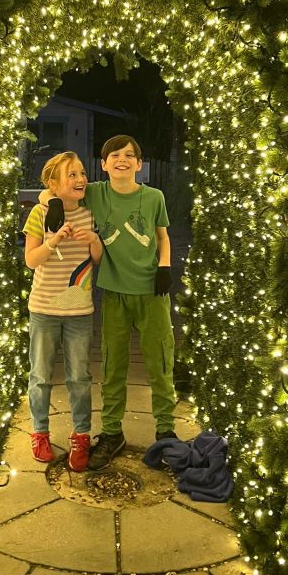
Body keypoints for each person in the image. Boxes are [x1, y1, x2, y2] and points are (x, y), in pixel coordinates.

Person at [40, 134, 177, 471]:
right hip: (114, 293)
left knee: (160, 362)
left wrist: (164, 267)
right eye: (114, 155)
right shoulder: (97, 193)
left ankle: (166, 432)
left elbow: (161, 234)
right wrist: (52, 203)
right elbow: (54, 188)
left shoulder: (153, 196)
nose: (122, 160)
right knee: (113, 366)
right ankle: (113, 432)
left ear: (139, 164)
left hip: (151, 294)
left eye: (130, 155)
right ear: (104, 165)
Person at [23, 151, 103, 471]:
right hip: (43, 306)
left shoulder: (89, 214)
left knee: (80, 377)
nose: (81, 179)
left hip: (80, 309)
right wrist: (54, 239)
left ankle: (81, 435)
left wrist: (94, 239)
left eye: (82, 173)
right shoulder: (39, 214)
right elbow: (32, 259)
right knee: (40, 374)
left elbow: (96, 258)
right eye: (72, 174)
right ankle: (39, 431)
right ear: (53, 184)